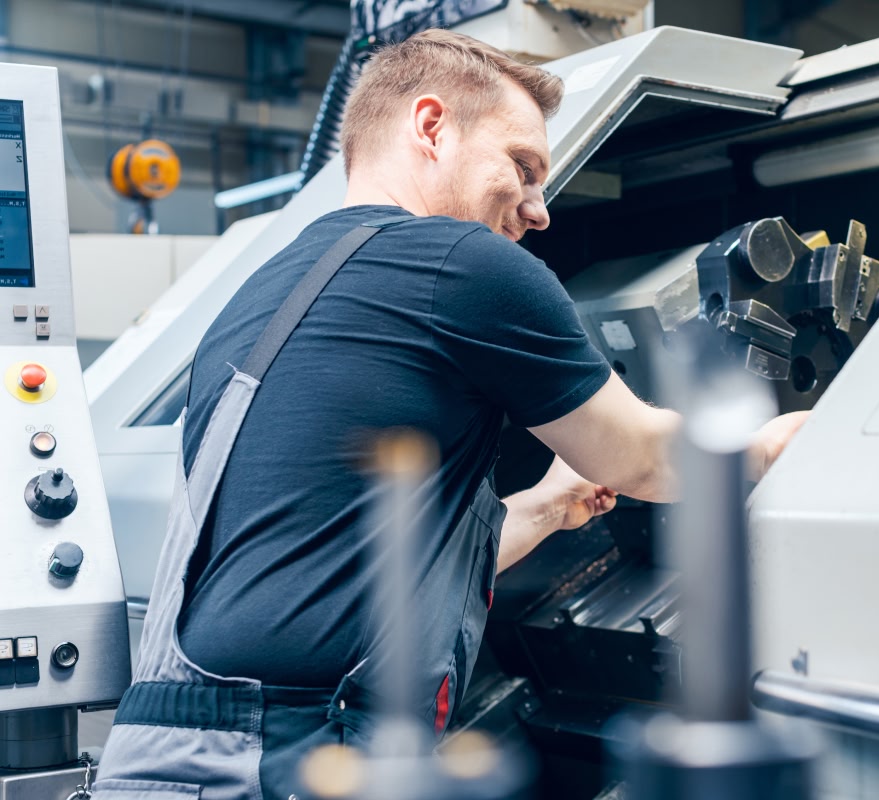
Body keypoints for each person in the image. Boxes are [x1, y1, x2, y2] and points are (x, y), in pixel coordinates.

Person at [92, 29, 807, 800]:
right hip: (288, 761)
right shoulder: (462, 264)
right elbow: (648, 461)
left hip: (155, 758)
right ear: (431, 126)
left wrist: (538, 509)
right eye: (525, 168)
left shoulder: (260, 292)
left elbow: (330, 555)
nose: (540, 212)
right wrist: (779, 441)